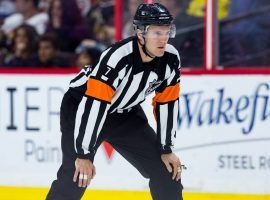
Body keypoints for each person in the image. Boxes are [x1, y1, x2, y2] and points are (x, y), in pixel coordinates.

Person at [46, 3, 184, 200]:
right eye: (156, 33)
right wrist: (84, 155)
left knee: (166, 170)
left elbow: (168, 103)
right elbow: (94, 104)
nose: (164, 39)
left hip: (124, 112)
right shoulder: (118, 58)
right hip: (81, 106)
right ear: (140, 33)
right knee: (76, 176)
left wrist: (166, 148)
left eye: (167, 31)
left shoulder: (171, 58)